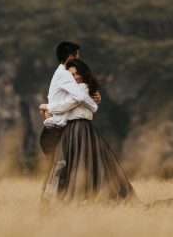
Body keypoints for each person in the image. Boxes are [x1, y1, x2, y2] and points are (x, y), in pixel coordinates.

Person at [40, 58, 137, 204]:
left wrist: (45, 106)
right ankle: (78, 199)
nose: (73, 78)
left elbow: (66, 106)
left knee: (79, 164)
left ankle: (80, 199)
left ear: (82, 74)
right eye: (70, 75)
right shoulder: (76, 90)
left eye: (75, 74)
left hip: (79, 129)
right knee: (76, 165)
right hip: (73, 129)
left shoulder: (81, 89)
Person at [39, 42, 100, 160]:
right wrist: (94, 106)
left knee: (65, 172)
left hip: (55, 131)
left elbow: (79, 94)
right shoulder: (65, 74)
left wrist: (95, 96)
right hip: (54, 132)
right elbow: (80, 97)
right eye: (78, 57)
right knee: (64, 172)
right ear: (71, 57)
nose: (79, 60)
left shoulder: (61, 73)